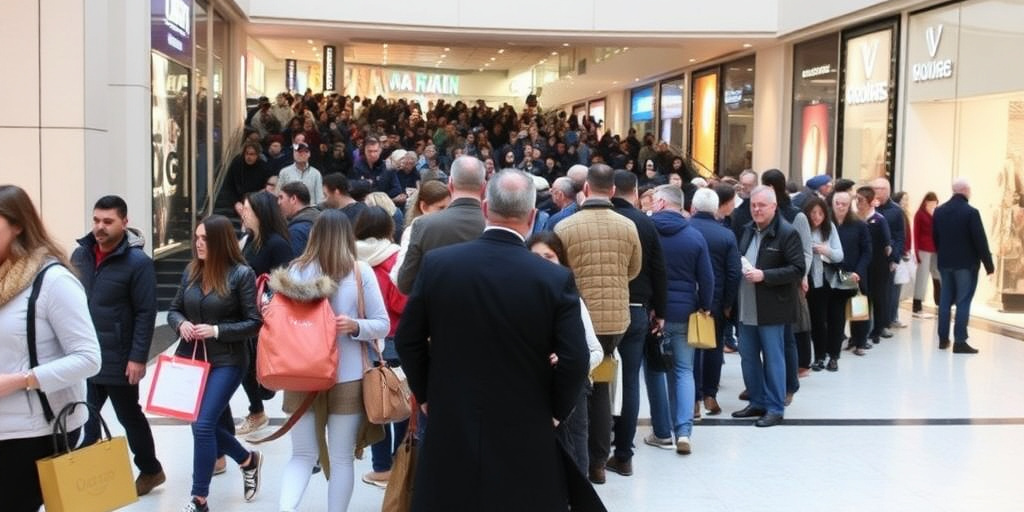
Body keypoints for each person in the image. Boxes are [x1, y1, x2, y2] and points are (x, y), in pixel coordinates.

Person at [395, 169, 595, 511]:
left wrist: (426, 393)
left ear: (486, 208)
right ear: (532, 217)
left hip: (452, 412)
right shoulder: (553, 278)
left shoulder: (439, 265)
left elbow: (408, 338)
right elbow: (576, 358)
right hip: (527, 416)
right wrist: (557, 410)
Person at [274, 209, 390, 512]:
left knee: (301, 455)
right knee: (341, 458)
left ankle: (286, 508)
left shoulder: (295, 271)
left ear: (314, 236)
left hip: (300, 373)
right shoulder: (360, 271)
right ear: (346, 236)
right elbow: (383, 324)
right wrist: (355, 326)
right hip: (347, 376)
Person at [0, 185, 101, 512]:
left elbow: (89, 358)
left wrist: (20, 380)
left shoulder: (52, 281)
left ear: (18, 225)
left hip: (35, 432)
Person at [167, 215, 263, 512]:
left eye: (205, 239)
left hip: (228, 360)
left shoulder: (241, 274)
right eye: (196, 237)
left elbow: (254, 323)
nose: (198, 243)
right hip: (194, 360)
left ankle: (199, 499)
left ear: (220, 241)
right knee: (201, 424)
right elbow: (173, 310)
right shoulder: (192, 272)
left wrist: (217, 330)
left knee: (203, 425)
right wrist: (181, 323)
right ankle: (248, 459)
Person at [554, 163, 642, 484]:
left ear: (586, 189)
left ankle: (576, 458)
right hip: (615, 319)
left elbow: (557, 272)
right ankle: (599, 463)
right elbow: (634, 268)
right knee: (603, 386)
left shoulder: (566, 227)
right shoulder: (627, 226)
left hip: (577, 317)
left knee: (578, 387)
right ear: (614, 191)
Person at [71, 195, 164, 496]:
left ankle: (151, 470)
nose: (100, 227)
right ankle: (87, 479)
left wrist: (138, 358)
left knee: (128, 416)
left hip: (119, 356)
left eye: (107, 221)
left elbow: (145, 312)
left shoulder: (138, 264)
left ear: (125, 223)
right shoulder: (80, 255)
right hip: (85, 353)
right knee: (86, 415)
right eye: (96, 220)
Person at [526, 231, 604, 477]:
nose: (542, 263)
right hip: (532, 390)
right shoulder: (518, 296)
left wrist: (568, 361)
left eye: (548, 257)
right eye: (535, 257)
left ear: (560, 260)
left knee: (574, 451)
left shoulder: (571, 300)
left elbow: (595, 351)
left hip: (570, 389)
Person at [607, 170, 669, 474]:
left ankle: (595, 450)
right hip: (636, 309)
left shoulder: (591, 218)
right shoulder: (645, 222)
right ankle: (624, 454)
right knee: (629, 381)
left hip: (597, 311)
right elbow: (659, 269)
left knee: (597, 380)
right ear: (634, 191)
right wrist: (661, 310)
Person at [732, 185, 805, 427]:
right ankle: (757, 401)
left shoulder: (787, 233)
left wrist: (766, 275)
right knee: (748, 357)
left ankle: (775, 407)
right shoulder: (747, 230)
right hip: (746, 306)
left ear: (774, 206)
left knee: (774, 358)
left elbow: (797, 269)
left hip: (772, 308)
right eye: (753, 205)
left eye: (762, 205)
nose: (756, 209)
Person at [649, 184, 713, 453]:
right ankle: (684, 431)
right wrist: (705, 307)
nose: (651, 205)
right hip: (685, 311)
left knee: (654, 371)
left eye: (653, 200)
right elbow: (707, 279)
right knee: (684, 371)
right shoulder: (695, 236)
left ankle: (662, 432)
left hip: (652, 314)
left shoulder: (647, 232)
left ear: (663, 203)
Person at [353, 206, 409, 488]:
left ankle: (380, 466)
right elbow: (400, 302)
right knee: (398, 399)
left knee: (374, 402)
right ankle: (399, 463)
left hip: (361, 339)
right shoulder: (395, 257)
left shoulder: (349, 257)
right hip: (394, 336)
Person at [235, 191, 292, 436]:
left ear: (260, 213)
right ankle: (256, 410)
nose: (243, 213)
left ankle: (261, 401)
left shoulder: (277, 244)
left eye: (247, 209)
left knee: (257, 368)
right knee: (243, 365)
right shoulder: (247, 240)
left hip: (267, 316)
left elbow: (286, 281)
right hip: (246, 314)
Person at [395, 156, 486, 295]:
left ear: (450, 184)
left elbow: (405, 284)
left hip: (437, 312)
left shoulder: (423, 225)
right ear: (484, 186)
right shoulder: (497, 225)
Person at [688, 187, 741, 416]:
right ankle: (710, 394)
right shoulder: (726, 234)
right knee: (714, 347)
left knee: (689, 350)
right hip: (716, 302)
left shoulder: (685, 229)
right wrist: (728, 303)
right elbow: (733, 272)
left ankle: (693, 400)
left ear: (694, 207)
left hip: (687, 299)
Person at [933, 178, 994, 353]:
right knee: (963, 301)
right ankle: (960, 341)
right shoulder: (971, 213)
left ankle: (943, 339)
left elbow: (935, 237)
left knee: (945, 301)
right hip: (966, 265)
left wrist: (942, 254)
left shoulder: (939, 211)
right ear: (966, 190)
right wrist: (989, 265)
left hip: (945, 263)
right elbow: (980, 240)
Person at [802, 196, 845, 372]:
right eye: (813, 213)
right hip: (813, 280)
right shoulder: (803, 229)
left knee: (835, 319)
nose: (817, 217)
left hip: (832, 280)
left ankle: (834, 356)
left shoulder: (830, 228)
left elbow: (839, 254)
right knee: (817, 320)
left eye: (820, 213)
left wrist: (823, 249)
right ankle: (819, 356)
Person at [832, 191, 872, 356]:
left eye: (844, 204)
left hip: (854, 273)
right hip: (834, 273)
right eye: (837, 203)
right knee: (836, 311)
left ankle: (860, 342)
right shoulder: (828, 224)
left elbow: (867, 251)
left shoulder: (859, 225)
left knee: (858, 308)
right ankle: (834, 342)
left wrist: (858, 271)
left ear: (850, 205)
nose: (840, 207)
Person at [390, 180, 451, 285]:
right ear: (424, 207)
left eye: (449, 208)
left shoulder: (449, 228)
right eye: (441, 208)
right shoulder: (412, 232)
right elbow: (398, 276)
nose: (446, 213)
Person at [855, 186, 893, 345]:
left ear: (871, 202)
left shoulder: (879, 220)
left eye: (861, 200)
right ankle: (858, 333)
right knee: (859, 299)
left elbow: (887, 244)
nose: (858, 204)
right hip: (861, 266)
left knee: (877, 298)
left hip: (878, 266)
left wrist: (891, 260)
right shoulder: (855, 219)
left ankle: (877, 329)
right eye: (856, 200)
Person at [872, 177, 907, 329]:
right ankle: (860, 330)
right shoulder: (866, 208)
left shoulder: (896, 211)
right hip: (867, 256)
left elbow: (900, 237)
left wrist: (895, 258)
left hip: (886, 258)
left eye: (881, 189)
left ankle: (882, 326)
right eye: (875, 189)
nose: (878, 192)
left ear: (888, 191)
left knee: (884, 295)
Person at [913, 192, 941, 318]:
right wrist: (917, 251)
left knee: (937, 275)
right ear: (926, 202)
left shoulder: (936, 214)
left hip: (935, 249)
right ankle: (917, 304)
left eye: (935, 203)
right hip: (923, 248)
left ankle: (939, 301)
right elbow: (916, 233)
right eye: (932, 202)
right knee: (922, 277)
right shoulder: (920, 214)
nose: (934, 205)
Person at [278, 182, 321, 256]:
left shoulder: (296, 231)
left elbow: (295, 264)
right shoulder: (321, 219)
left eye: (281, 197)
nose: (278, 202)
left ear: (293, 199)